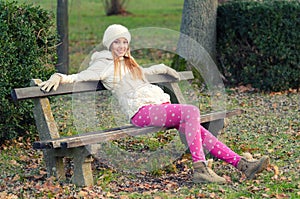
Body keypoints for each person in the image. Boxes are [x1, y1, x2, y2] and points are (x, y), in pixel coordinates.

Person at [39, 24, 270, 184]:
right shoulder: (103, 64)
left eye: (124, 42)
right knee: (191, 112)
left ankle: (242, 165)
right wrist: (58, 77)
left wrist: (162, 69)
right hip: (141, 113)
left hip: (154, 109)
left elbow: (145, 73)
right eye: (117, 42)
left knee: (196, 129)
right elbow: (80, 77)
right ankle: (200, 169)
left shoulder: (129, 63)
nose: (121, 46)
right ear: (109, 44)